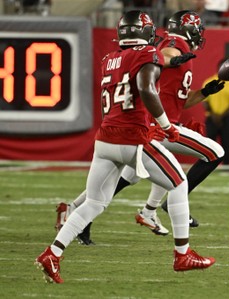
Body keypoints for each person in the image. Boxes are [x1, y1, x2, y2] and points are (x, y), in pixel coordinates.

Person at [35, 10, 215, 284]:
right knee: (178, 183)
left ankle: (53, 253)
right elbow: (146, 88)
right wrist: (166, 125)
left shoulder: (109, 59)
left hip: (105, 138)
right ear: (143, 32)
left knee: (94, 202)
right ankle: (182, 254)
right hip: (132, 138)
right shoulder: (147, 54)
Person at [203, 59, 229, 166]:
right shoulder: (209, 81)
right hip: (211, 118)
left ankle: (227, 167)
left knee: (226, 145)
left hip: (225, 118)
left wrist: (220, 115)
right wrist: (214, 114)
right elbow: (204, 100)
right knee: (209, 145)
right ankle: (208, 166)